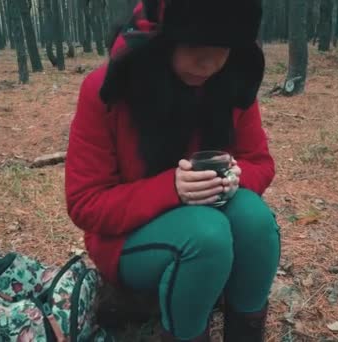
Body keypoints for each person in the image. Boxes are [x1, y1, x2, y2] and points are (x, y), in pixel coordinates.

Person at [64, 0, 281, 340]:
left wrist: (235, 176)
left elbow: (260, 163)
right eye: (195, 46)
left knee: (255, 221)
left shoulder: (232, 80)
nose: (208, 63)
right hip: (128, 239)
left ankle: (246, 332)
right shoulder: (107, 90)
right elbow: (85, 203)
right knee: (206, 235)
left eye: (221, 48)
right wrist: (172, 189)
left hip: (210, 224)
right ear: (162, 39)